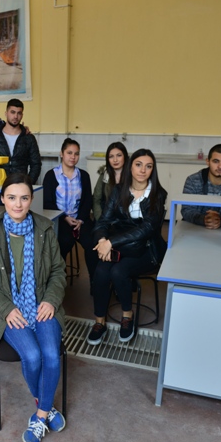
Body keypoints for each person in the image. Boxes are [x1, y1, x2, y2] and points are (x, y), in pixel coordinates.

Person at [0, 173, 67, 442]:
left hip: (41, 304)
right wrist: (6, 308)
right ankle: (47, 406)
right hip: (8, 310)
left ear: (31, 199)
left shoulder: (44, 228)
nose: (18, 204)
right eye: (12, 197)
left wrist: (51, 300)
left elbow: (58, 271)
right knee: (33, 355)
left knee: (51, 355)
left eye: (24, 198)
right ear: (2, 199)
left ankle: (40, 415)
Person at [88, 149, 167, 346]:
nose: (143, 170)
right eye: (138, 165)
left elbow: (146, 229)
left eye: (148, 166)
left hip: (147, 249)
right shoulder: (118, 190)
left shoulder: (158, 194)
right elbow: (103, 221)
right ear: (130, 167)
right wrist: (102, 241)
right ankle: (99, 322)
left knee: (118, 271)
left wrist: (110, 243)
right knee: (101, 271)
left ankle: (127, 316)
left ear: (153, 170)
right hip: (119, 246)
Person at [43, 138, 97, 292]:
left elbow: (88, 200)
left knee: (92, 243)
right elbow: (47, 202)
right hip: (60, 219)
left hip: (80, 219)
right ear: (62, 154)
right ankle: (58, 283)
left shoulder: (83, 175)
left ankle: (95, 283)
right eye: (69, 153)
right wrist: (65, 217)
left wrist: (80, 219)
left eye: (76, 154)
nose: (73, 157)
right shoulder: (51, 175)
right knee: (63, 242)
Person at [0, 98, 42, 184]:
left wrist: (28, 183)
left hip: (20, 184)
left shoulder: (29, 138)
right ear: (6, 113)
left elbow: (36, 164)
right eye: (12, 112)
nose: (16, 116)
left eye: (19, 113)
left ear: (22, 115)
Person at [92, 142, 128, 221]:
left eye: (119, 155)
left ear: (125, 156)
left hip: (126, 220)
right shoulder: (104, 174)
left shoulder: (132, 175)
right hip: (105, 217)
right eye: (111, 156)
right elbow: (96, 200)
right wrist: (101, 220)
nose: (115, 160)